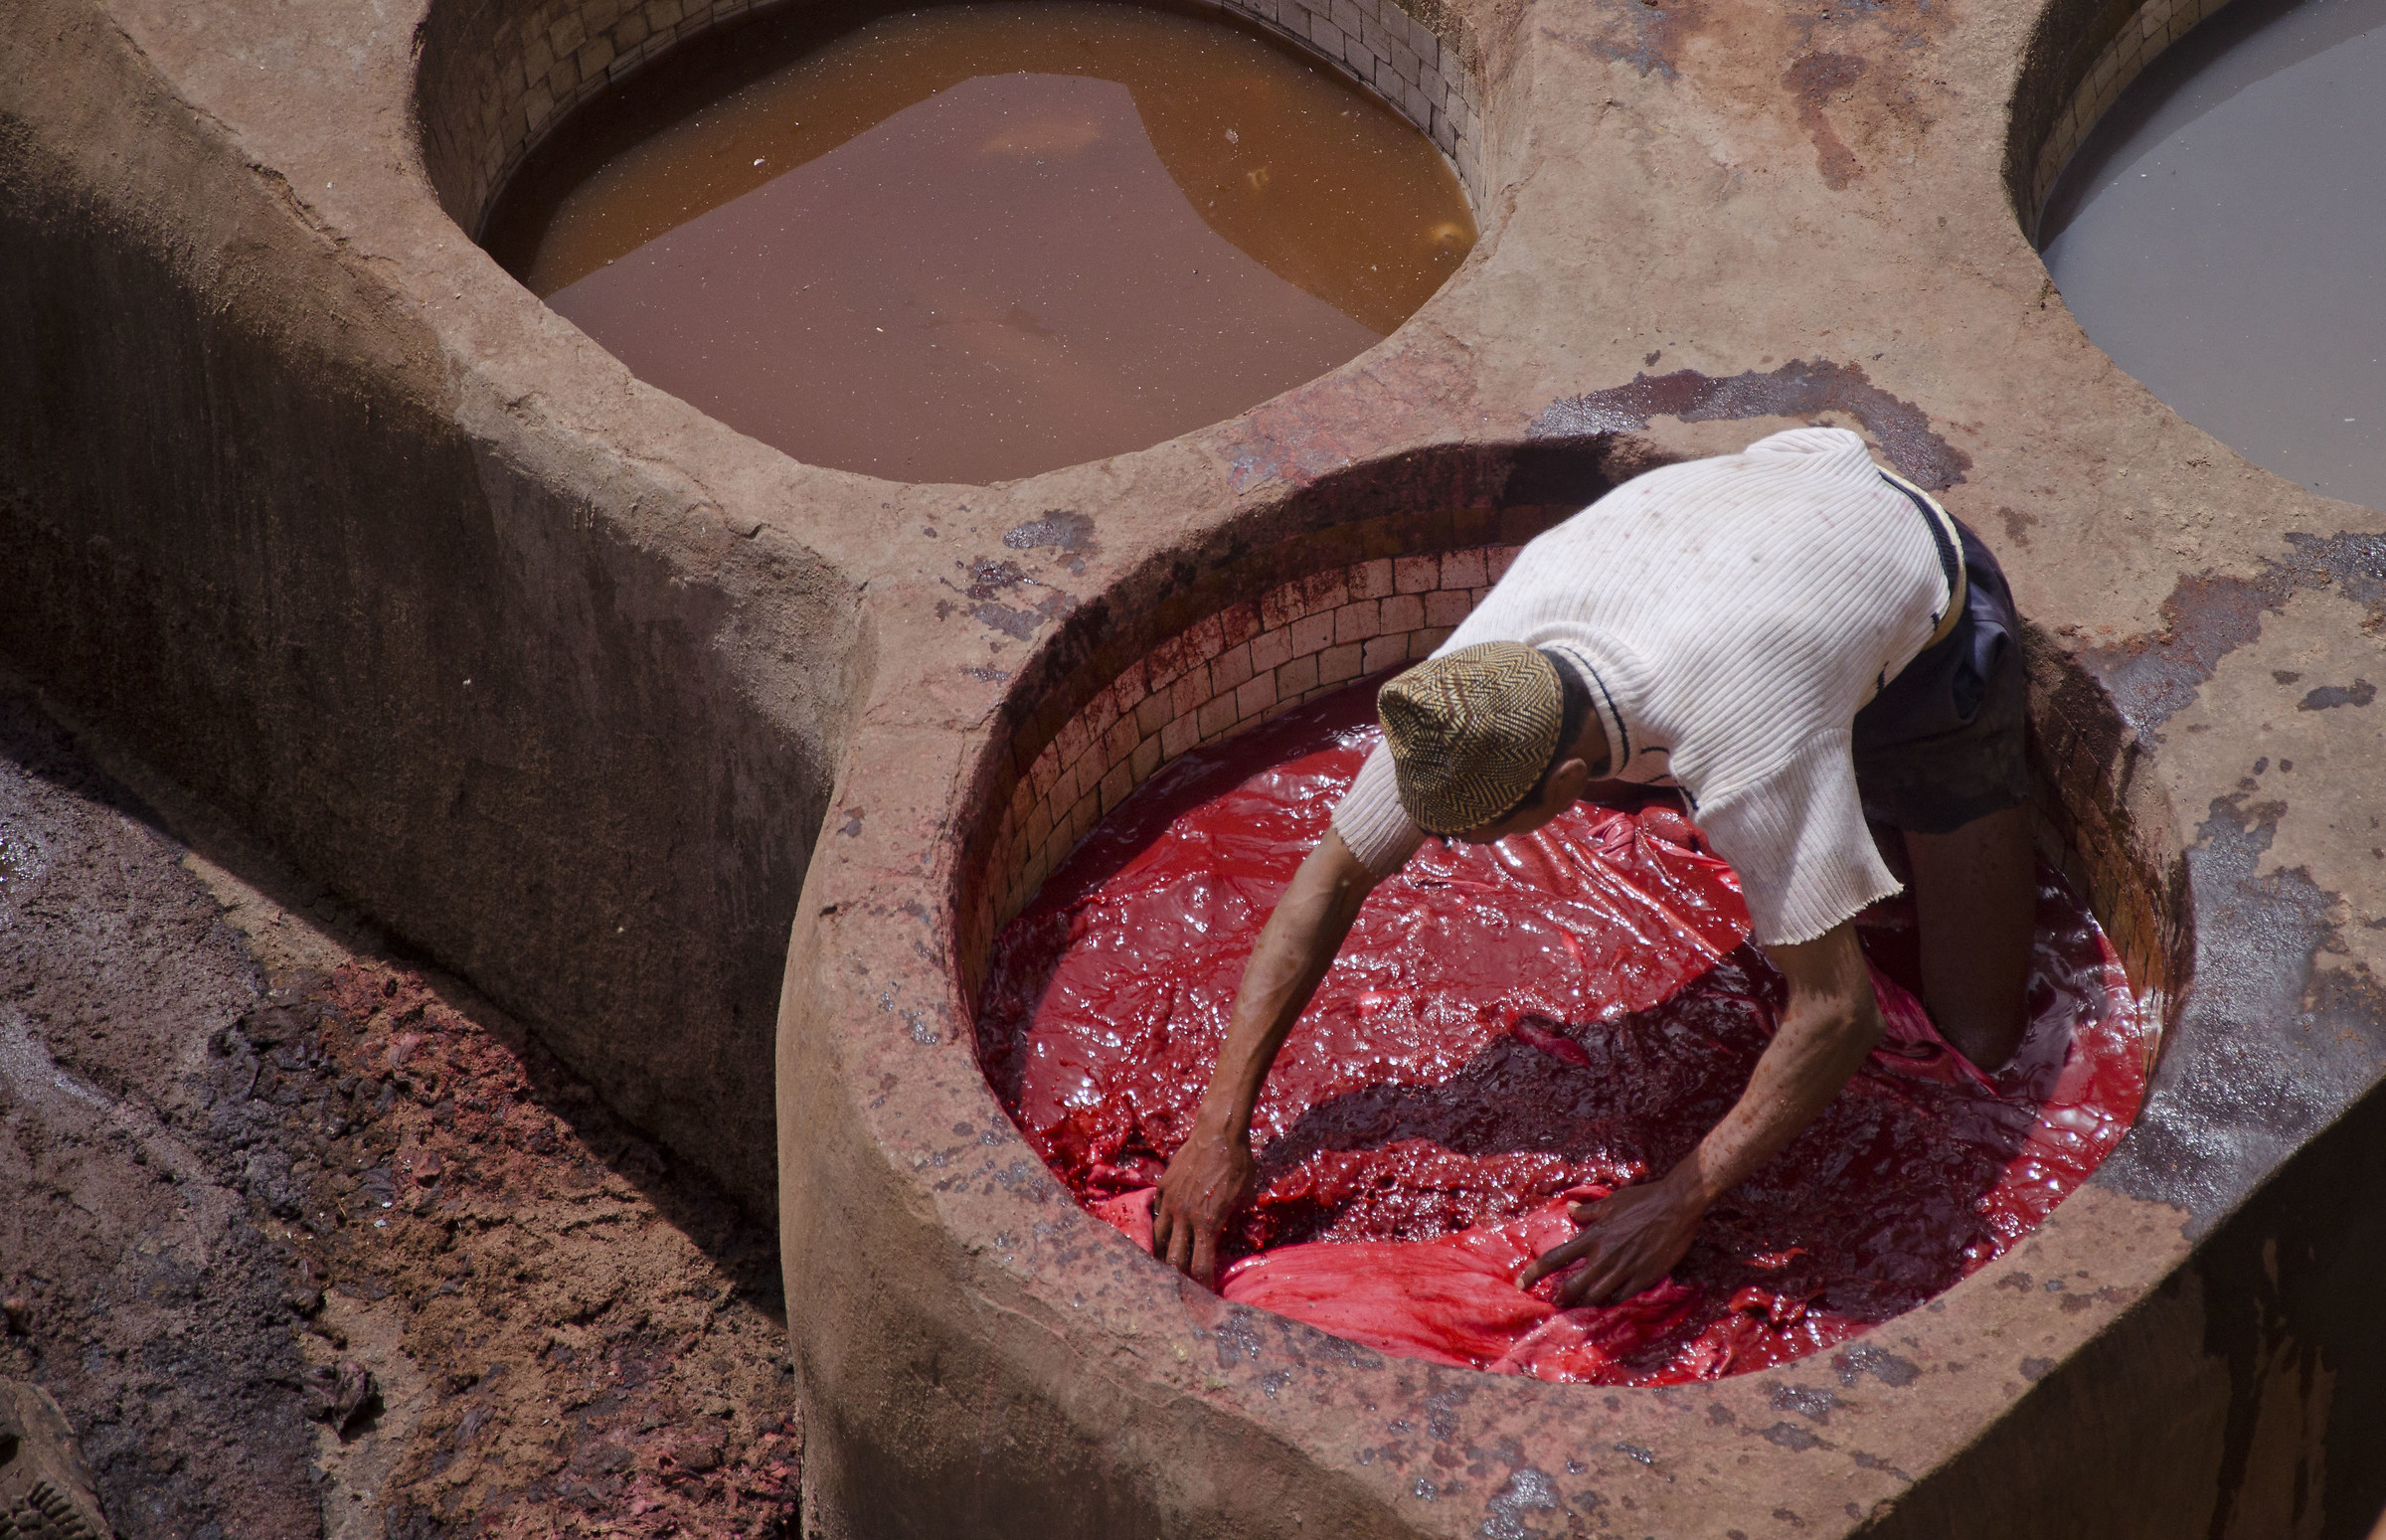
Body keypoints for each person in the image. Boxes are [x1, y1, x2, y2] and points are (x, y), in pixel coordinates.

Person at [1149, 427, 2036, 1307]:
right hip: (1757, 541)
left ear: (1573, 782)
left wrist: (1679, 1196)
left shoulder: (1740, 745)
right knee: (1801, 822)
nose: (1451, 851)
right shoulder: (1476, 683)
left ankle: (1887, 783)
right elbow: (1327, 883)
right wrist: (1220, 1128)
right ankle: (1836, 796)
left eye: (1473, 833)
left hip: (1918, 610)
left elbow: (1837, 1014)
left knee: (1978, 1038)